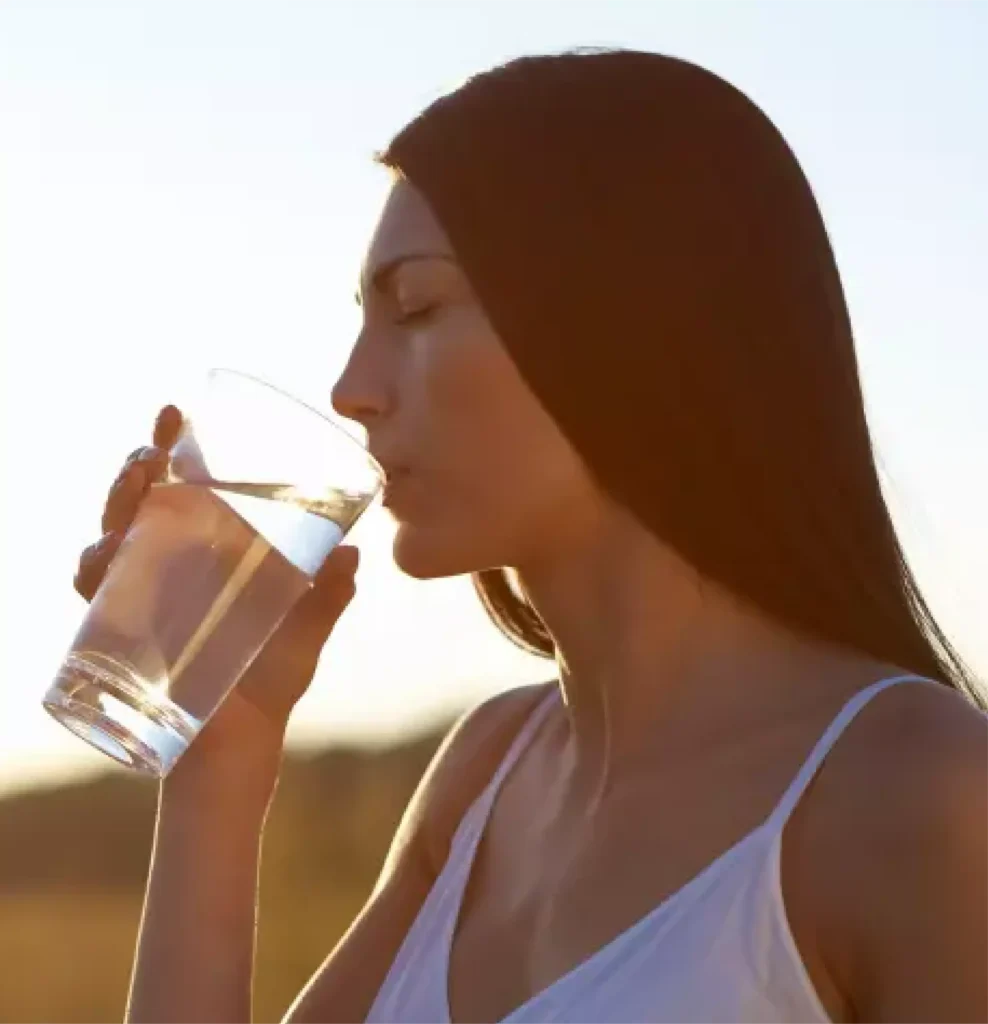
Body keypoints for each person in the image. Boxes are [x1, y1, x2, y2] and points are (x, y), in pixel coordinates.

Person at [76, 50, 988, 1024]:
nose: (352, 386)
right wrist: (225, 749)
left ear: (627, 319)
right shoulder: (484, 776)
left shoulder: (918, 793)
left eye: (416, 306)